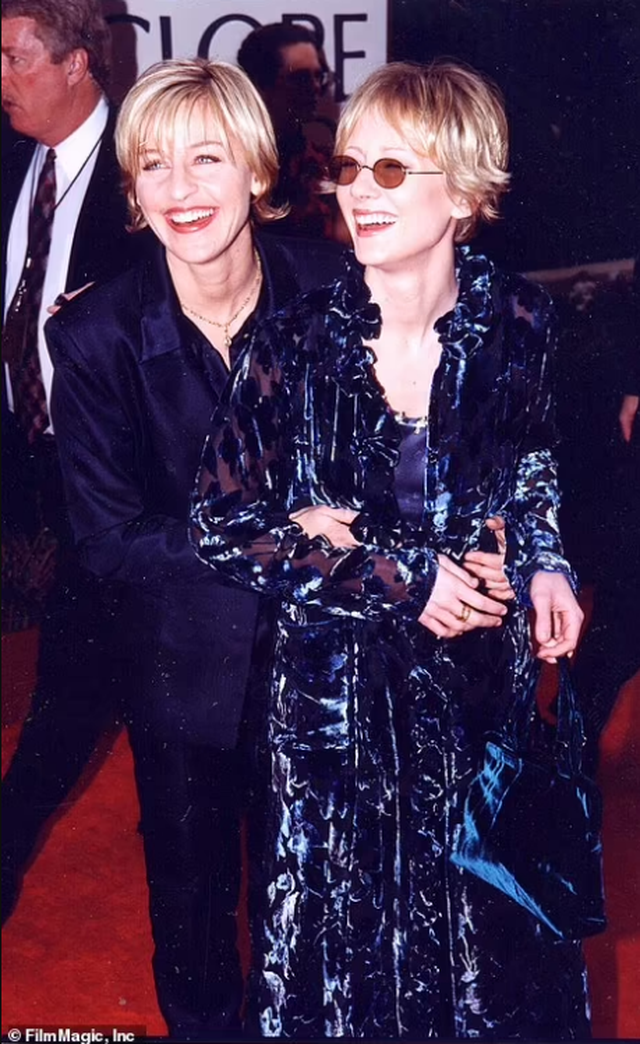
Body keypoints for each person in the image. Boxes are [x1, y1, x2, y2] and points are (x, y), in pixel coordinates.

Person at [191, 60, 590, 1040]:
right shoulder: (293, 345)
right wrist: (398, 574)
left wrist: (544, 563)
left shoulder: (520, 323)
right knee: (343, 974)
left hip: (478, 705)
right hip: (337, 722)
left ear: (464, 192)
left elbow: (530, 462)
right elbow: (221, 521)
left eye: (392, 170)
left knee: (489, 971)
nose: (358, 192)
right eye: (348, 166)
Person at [45, 57, 349, 1040]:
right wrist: (279, 537)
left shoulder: (334, 289)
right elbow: (109, 542)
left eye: (207, 158)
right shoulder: (95, 335)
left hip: (328, 661)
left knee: (319, 913)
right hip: (184, 670)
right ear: (131, 192)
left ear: (258, 170)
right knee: (195, 925)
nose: (180, 188)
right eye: (154, 166)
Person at [1, 0, 150, 926]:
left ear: (77, 64)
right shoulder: (11, 158)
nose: (0, 79)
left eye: (13, 58)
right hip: (16, 456)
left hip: (106, 480)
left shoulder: (146, 170)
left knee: (70, 681)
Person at [237, 22, 341, 240]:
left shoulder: (319, 162)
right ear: (260, 86)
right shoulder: (237, 163)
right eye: (300, 78)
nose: (314, 87)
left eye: (318, 76)